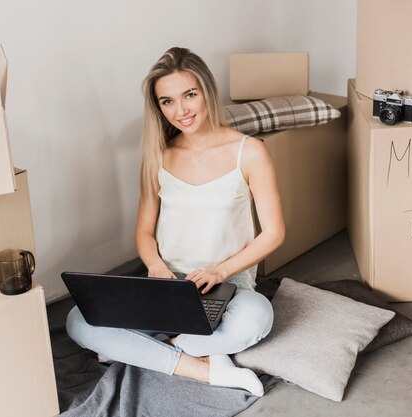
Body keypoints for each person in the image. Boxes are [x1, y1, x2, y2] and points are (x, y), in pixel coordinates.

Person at [67, 47, 285, 396]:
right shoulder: (159, 156)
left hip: (228, 286)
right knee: (77, 320)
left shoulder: (250, 152)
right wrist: (154, 265)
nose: (180, 110)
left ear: (207, 92)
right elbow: (143, 231)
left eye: (189, 95)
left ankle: (139, 350)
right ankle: (206, 368)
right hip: (167, 286)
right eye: (167, 101)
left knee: (258, 320)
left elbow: (274, 233)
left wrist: (219, 272)